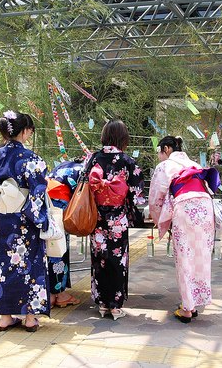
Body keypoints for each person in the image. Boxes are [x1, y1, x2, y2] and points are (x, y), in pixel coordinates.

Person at [0, 110, 49, 332]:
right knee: (32, 263)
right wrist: (40, 218)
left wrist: (2, 196)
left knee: (7, 265)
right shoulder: (32, 158)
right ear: (25, 131)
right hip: (28, 220)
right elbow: (38, 191)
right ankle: (29, 317)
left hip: (7, 220)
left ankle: (6, 317)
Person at [148, 136, 219, 324]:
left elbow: (155, 198)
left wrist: (158, 220)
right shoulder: (193, 163)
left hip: (185, 208)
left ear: (166, 149)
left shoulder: (165, 166)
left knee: (184, 256)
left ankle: (188, 308)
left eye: (159, 153)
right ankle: (196, 300)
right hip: (205, 207)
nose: (159, 157)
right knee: (201, 255)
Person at [86, 119, 145, 320]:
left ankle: (102, 303)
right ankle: (115, 305)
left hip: (96, 217)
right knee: (117, 259)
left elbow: (83, 185)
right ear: (123, 138)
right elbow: (137, 195)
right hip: (117, 218)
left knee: (99, 259)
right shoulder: (128, 161)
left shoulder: (92, 159)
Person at [46, 159, 84, 308]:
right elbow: (81, 194)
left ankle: (48, 294)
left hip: (45, 200)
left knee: (49, 246)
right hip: (59, 203)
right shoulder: (84, 169)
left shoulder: (63, 166)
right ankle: (60, 294)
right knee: (59, 248)